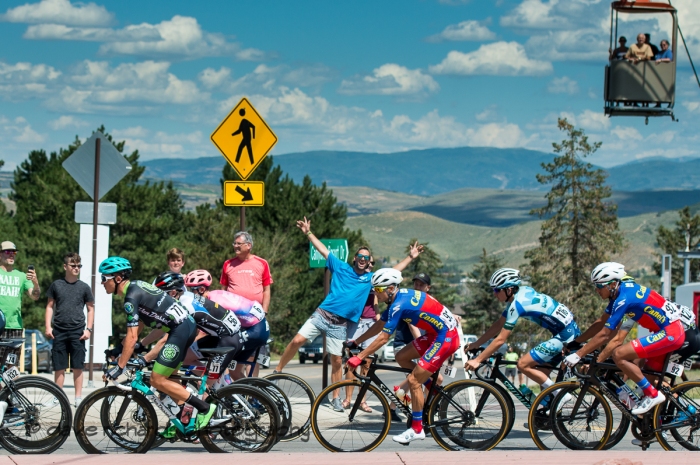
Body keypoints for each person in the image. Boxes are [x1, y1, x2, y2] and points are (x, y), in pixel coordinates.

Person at [274, 216, 423, 412]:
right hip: (322, 314)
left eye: (366, 258)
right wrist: (308, 233)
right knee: (296, 341)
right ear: (354, 259)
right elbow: (323, 249)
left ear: (369, 262)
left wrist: (410, 257)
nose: (362, 260)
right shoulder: (341, 267)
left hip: (340, 323)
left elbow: (392, 271)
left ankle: (336, 397)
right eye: (359, 257)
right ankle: (277, 372)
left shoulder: (370, 279)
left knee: (336, 360)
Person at [99, 257, 217, 432]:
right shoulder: (137, 287)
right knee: (168, 383)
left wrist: (119, 367)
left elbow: (132, 337)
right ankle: (184, 423)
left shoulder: (130, 297)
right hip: (184, 328)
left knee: (157, 379)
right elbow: (137, 328)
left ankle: (204, 408)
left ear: (117, 279)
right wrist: (119, 349)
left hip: (180, 331)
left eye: (104, 278)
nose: (102, 283)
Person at [347, 268, 460, 444]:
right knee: (401, 357)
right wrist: (356, 342)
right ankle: (429, 386)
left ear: (391, 288)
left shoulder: (399, 305)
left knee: (414, 381)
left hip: (445, 337)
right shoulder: (397, 299)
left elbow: (384, 337)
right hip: (435, 334)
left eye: (378, 290)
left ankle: (417, 429)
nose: (376, 294)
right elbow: (379, 326)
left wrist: (359, 356)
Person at [564, 262, 686, 415]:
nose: (597, 290)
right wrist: (577, 342)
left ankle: (653, 395)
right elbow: (601, 324)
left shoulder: (624, 298)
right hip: (667, 332)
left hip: (670, 333)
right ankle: (652, 429)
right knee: (645, 374)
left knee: (619, 354)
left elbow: (606, 334)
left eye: (599, 286)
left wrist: (578, 354)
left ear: (612, 284)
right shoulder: (618, 295)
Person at [465, 268, 580, 404]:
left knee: (523, 364)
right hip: (567, 331)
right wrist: (476, 344)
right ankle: (550, 411)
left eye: (497, 290)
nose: (494, 294)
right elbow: (498, 324)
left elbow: (501, 339)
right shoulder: (522, 292)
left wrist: (477, 360)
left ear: (509, 290)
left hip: (565, 336)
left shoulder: (517, 305)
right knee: (542, 374)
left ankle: (561, 395)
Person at [45, 252, 94, 406]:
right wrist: (48, 327)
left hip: (78, 331)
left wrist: (89, 330)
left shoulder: (84, 287)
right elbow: (49, 306)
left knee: (77, 366)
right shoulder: (56, 285)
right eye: (73, 265)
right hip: (59, 330)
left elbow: (91, 309)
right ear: (65, 266)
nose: (76, 268)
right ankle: (57, 398)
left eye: (79, 265)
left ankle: (78, 398)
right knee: (59, 367)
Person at [0, 241, 40, 368]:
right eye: (7, 252)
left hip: (15, 328)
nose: (11, 255)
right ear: (0, 255)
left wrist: (35, 282)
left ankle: (10, 388)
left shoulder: (22, 276)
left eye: (14, 252)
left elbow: (35, 296)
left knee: (13, 366)